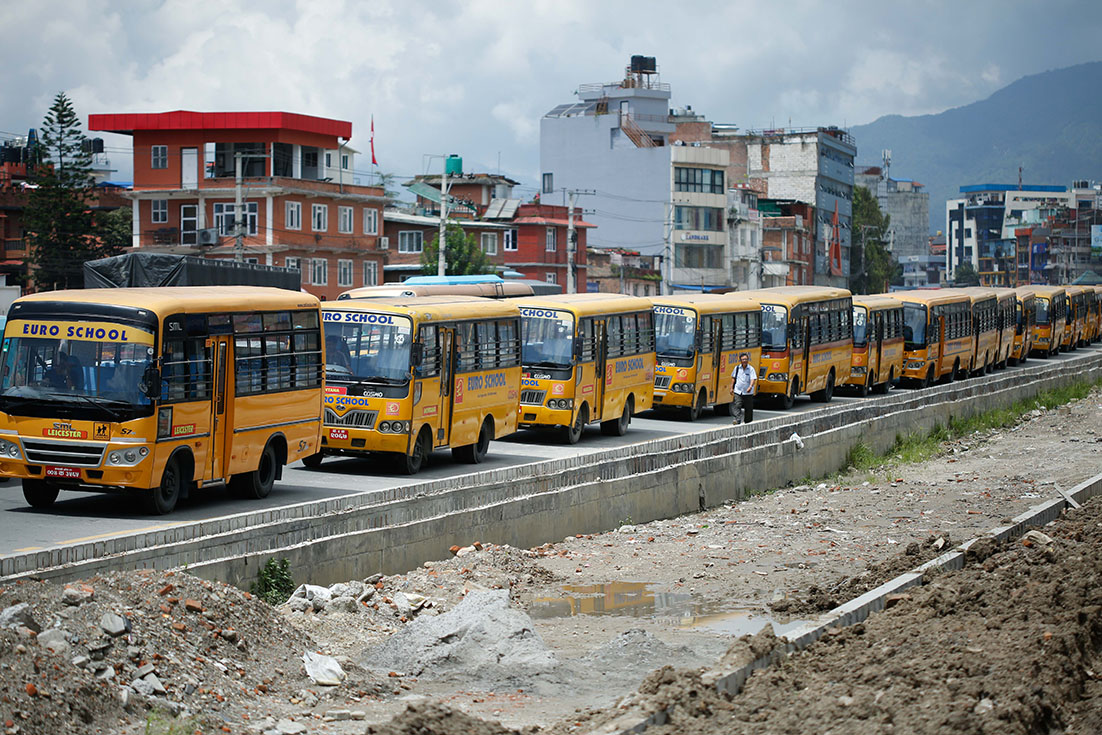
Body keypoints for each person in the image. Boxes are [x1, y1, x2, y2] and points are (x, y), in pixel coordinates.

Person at [732, 352, 757, 424]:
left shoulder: (751, 369)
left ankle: (748, 421)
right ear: (740, 360)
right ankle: (737, 419)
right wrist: (731, 388)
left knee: (748, 407)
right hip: (738, 390)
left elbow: (753, 379)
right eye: (743, 359)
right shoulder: (737, 368)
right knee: (737, 405)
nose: (744, 361)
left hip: (747, 391)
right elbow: (733, 378)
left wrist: (750, 386)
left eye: (746, 359)